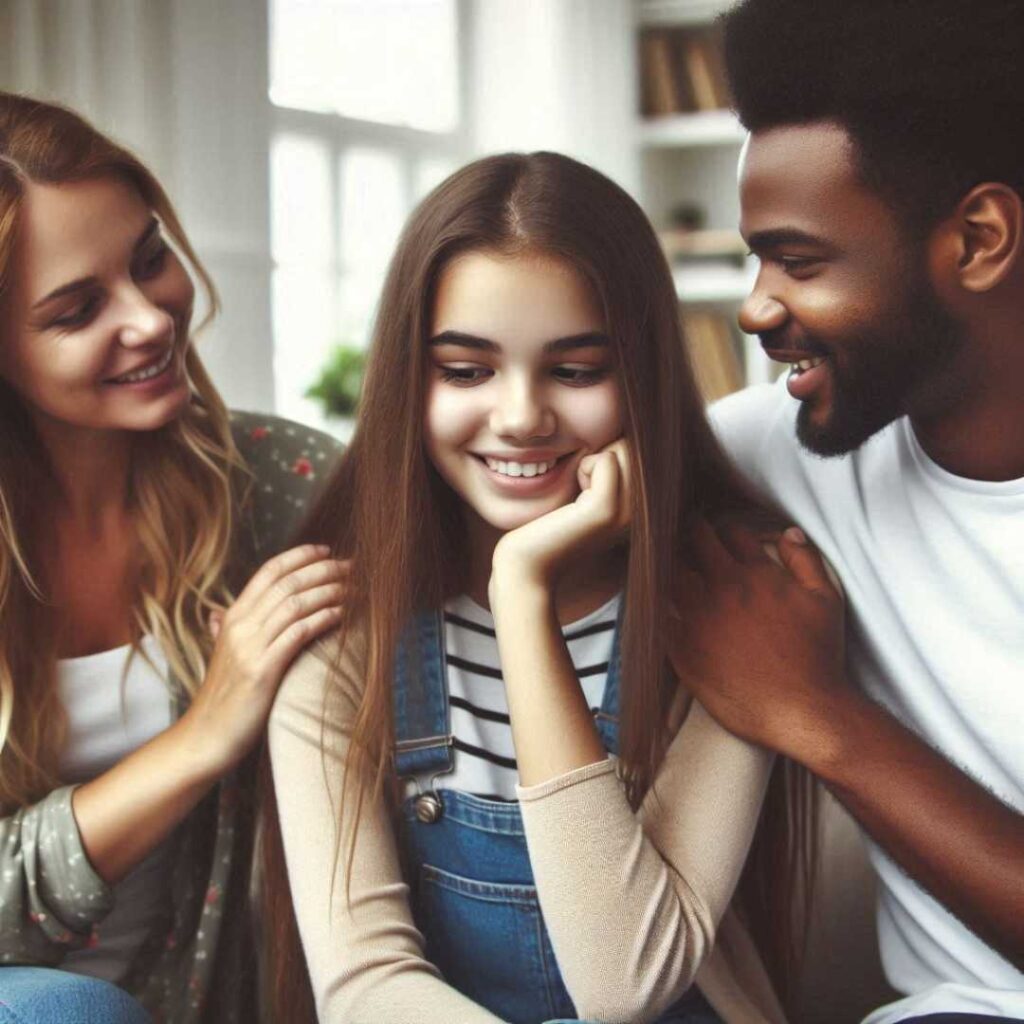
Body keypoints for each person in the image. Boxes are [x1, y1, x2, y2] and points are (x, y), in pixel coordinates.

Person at [263, 151, 822, 1024]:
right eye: (465, 370)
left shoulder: (732, 610)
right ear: (408, 380)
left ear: (642, 377)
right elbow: (365, 988)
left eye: (576, 370)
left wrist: (520, 591)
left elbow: (626, 979)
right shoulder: (341, 645)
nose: (521, 415)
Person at [676, 2, 1024, 1023]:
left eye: (799, 261)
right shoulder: (764, 450)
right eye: (755, 260)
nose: (755, 307)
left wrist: (817, 715)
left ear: (977, 240)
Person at [0, 93, 345, 1022]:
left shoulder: (283, 485)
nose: (150, 319)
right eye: (77, 310)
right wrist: (203, 737)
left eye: (149, 259)